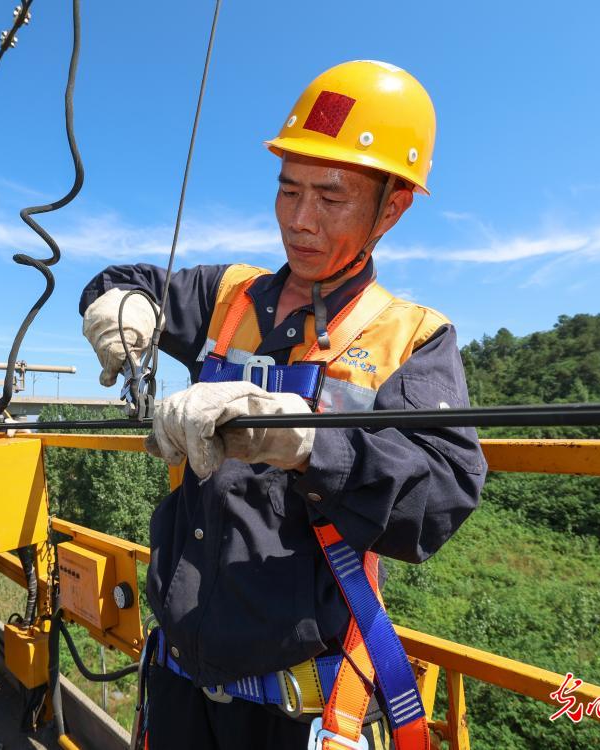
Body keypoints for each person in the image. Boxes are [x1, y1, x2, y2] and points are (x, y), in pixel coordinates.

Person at [80, 61, 486, 749]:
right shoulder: (228, 295)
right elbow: (127, 279)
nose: (299, 221)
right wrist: (121, 306)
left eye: (331, 199)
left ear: (391, 207)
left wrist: (303, 443)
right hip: (178, 680)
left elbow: (440, 498)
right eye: (288, 190)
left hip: (290, 707)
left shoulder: (410, 338)